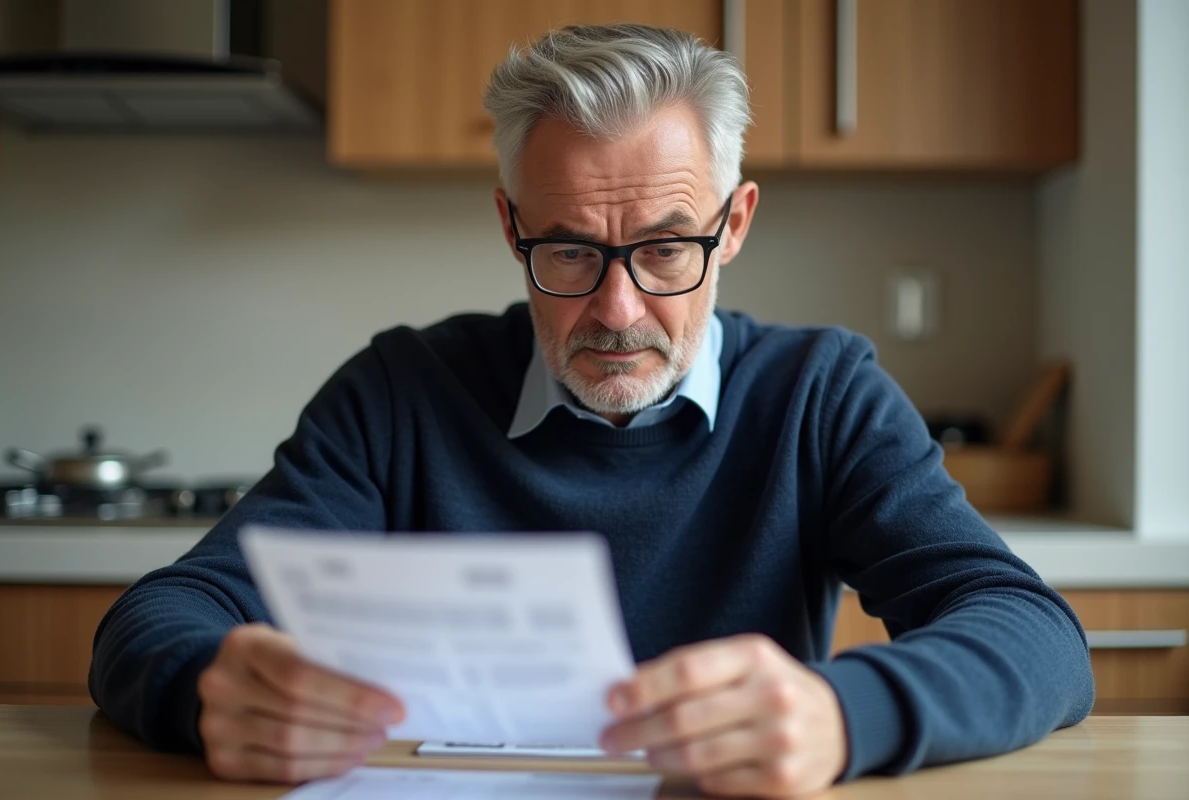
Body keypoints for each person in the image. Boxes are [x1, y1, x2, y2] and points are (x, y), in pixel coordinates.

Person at [89, 24, 1094, 799]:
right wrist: (208, 683)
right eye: (568, 250)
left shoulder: (818, 393)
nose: (616, 311)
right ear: (510, 224)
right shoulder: (401, 393)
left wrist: (842, 712)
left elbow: (1035, 636)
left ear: (733, 223)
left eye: (665, 248)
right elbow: (157, 617)